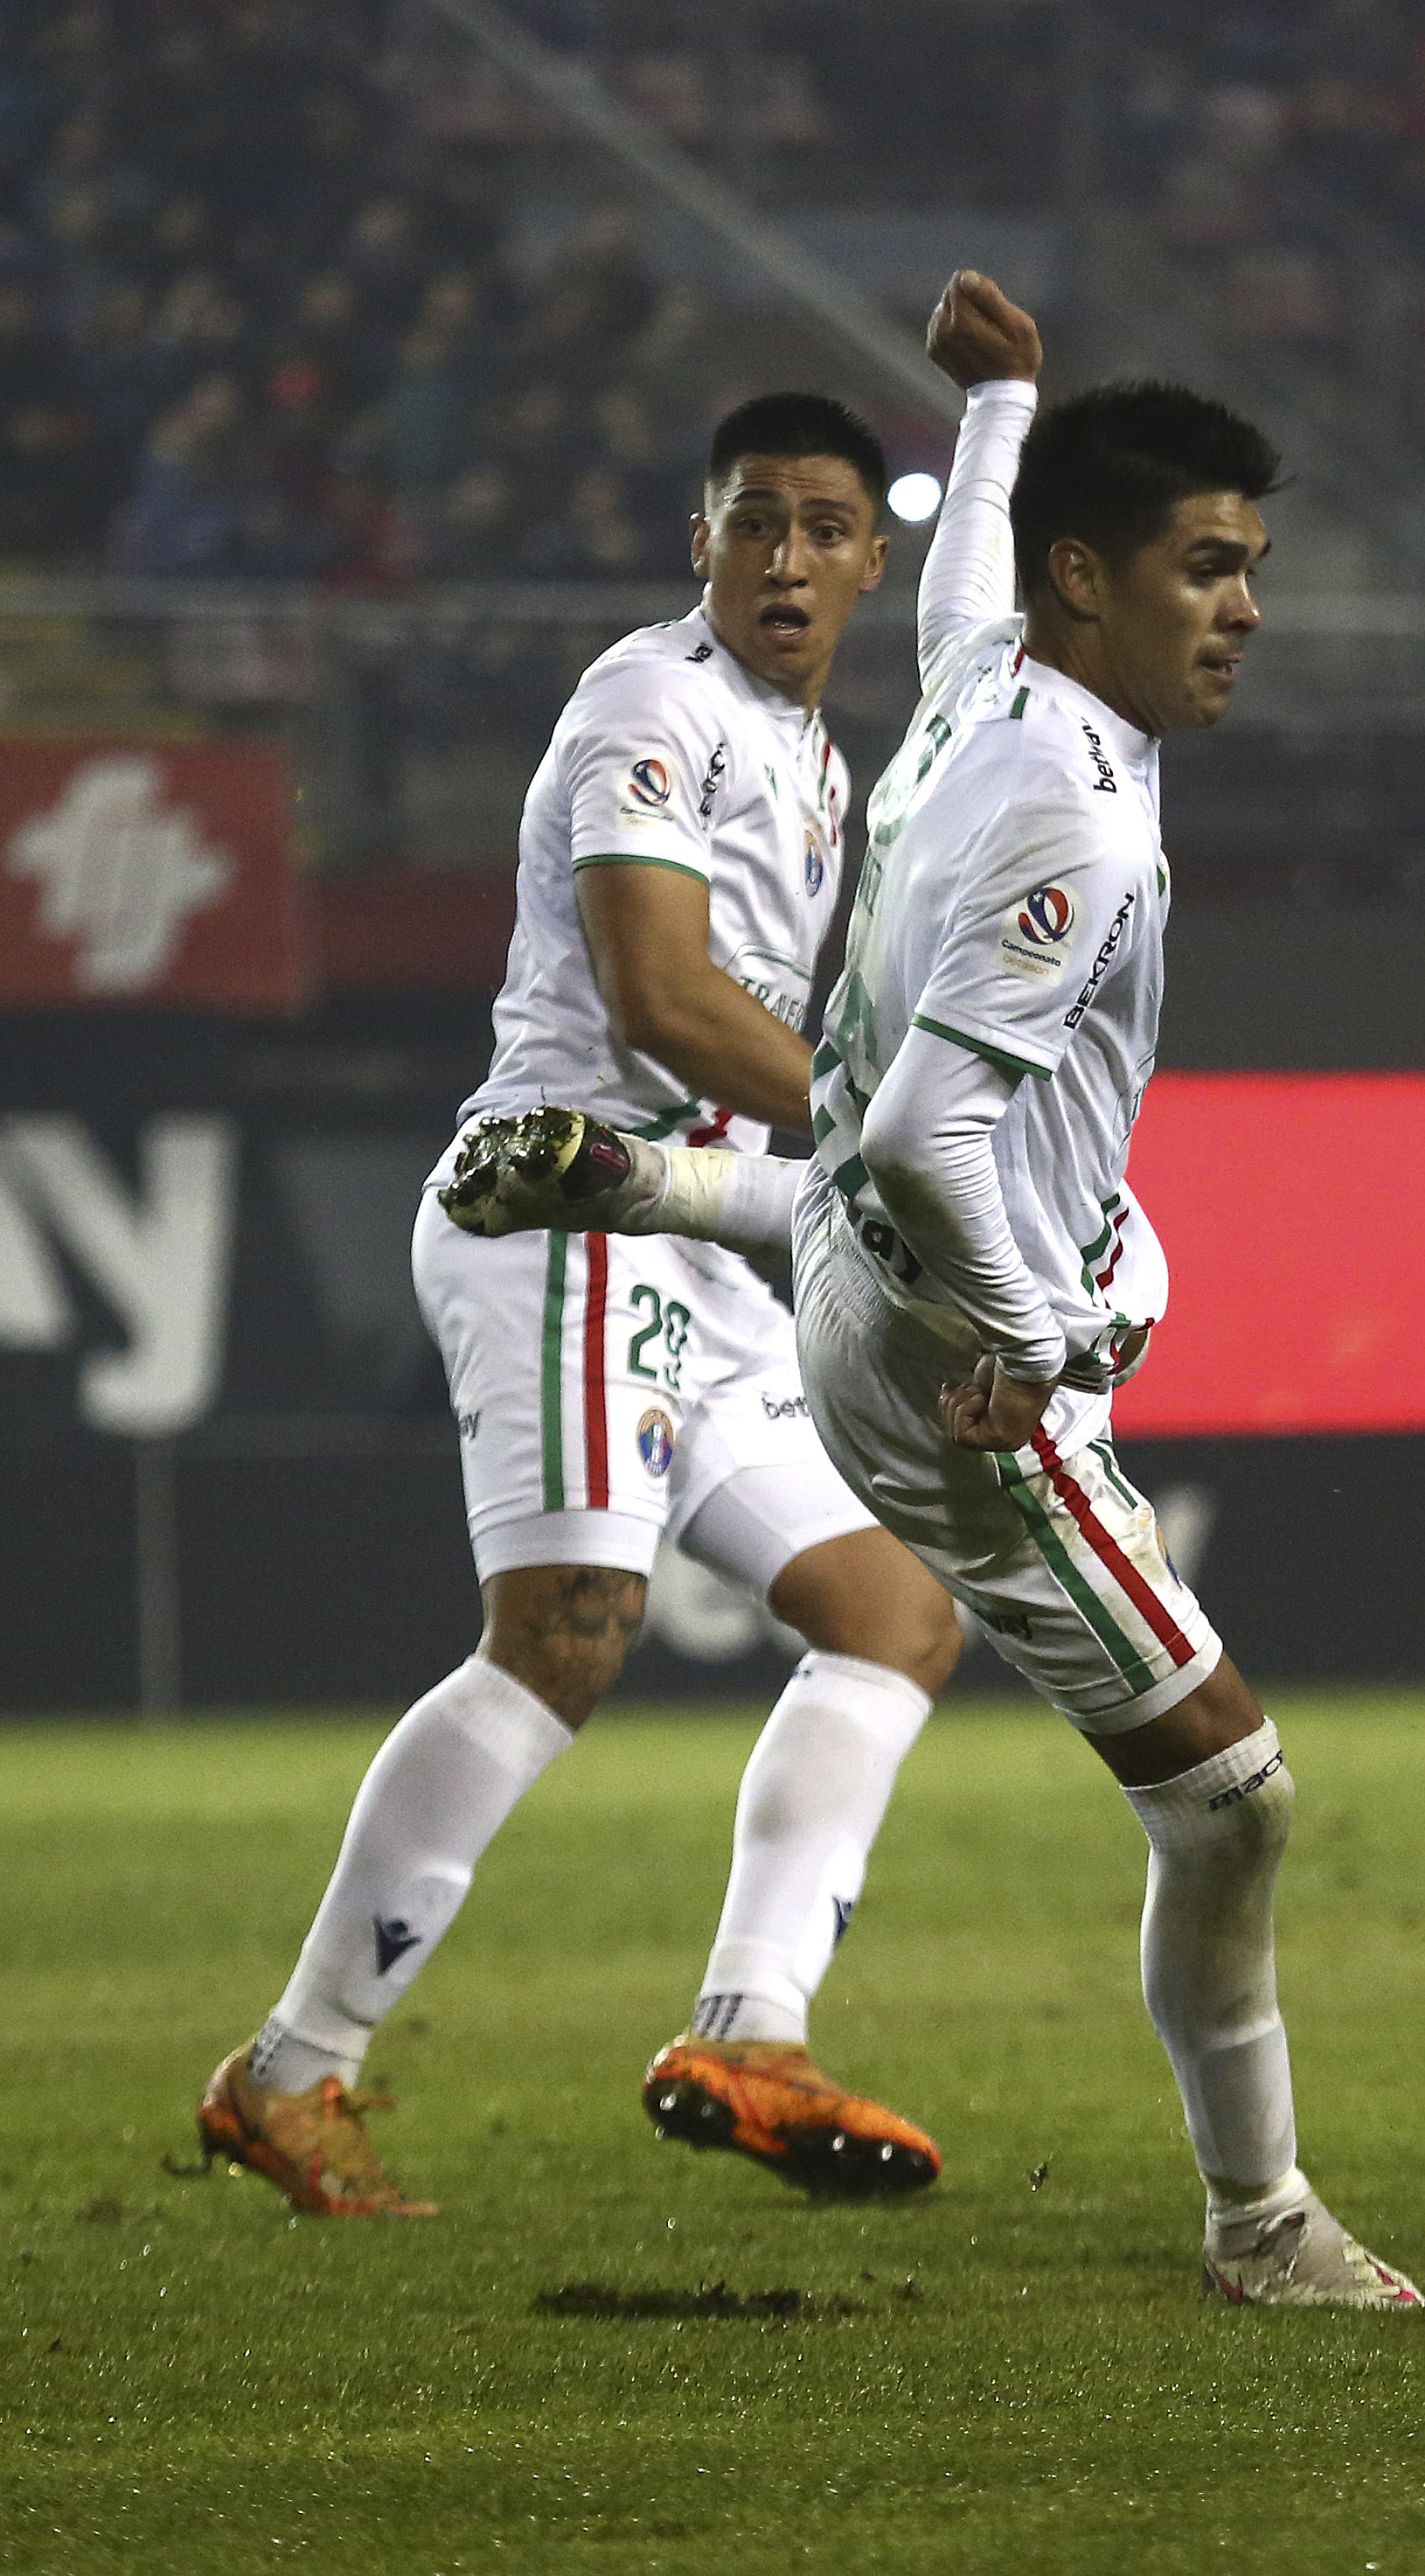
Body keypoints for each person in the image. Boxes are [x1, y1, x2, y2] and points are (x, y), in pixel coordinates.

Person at [452, 272, 1419, 2309]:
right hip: (940, 1341)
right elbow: (914, 1144)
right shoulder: (1076, 811)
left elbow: (962, 574)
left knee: (1115, 1248)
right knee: (1233, 1793)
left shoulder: (990, 682)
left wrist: (998, 407)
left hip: (837, 1269)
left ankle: (657, 1180)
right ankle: (1263, 2222)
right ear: (1097, 580)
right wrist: (1029, 1343)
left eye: (1253, 570)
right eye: (1207, 569)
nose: (1244, 608)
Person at [198, 393, 966, 2218]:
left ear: (874, 558)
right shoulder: (653, 704)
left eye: (822, 527)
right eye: (751, 522)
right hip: (561, 1207)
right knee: (563, 1631)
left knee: (897, 1616)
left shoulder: (817, 760)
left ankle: (751, 2033)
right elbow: (659, 1001)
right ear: (696, 546)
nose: (785, 557)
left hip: (693, 1243)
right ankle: (292, 2072)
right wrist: (884, 1140)